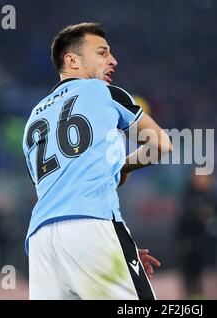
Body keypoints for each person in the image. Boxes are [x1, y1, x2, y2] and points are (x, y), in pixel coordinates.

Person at [22, 22, 172, 299]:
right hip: (94, 227)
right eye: (102, 53)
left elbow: (51, 184)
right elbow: (161, 144)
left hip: (41, 242)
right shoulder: (102, 92)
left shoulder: (33, 118)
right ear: (72, 61)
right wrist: (125, 166)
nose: (113, 60)